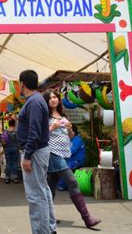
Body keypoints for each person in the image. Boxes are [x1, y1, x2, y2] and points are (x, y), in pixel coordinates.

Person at [43, 90, 101, 229]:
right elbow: (41, 136)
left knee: (50, 188)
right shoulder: (45, 117)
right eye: (50, 98)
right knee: (72, 182)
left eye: (55, 97)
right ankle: (87, 218)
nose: (53, 99)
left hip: (63, 153)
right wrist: (52, 127)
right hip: (53, 154)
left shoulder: (63, 115)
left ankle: (45, 217)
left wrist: (69, 130)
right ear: (46, 101)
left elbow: (69, 137)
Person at [17, 70, 56, 234]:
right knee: (43, 191)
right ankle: (49, 228)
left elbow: (34, 132)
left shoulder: (33, 102)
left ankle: (42, 231)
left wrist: (27, 156)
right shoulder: (37, 100)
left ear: (22, 84)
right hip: (39, 151)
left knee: (36, 195)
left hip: (34, 152)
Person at [58, 125, 86, 191]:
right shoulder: (69, 139)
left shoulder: (77, 140)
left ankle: (62, 185)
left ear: (73, 132)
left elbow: (71, 151)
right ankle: (61, 184)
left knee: (65, 167)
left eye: (68, 131)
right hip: (70, 160)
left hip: (77, 161)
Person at [2, 119, 20, 184]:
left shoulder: (5, 131)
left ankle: (7, 178)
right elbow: (19, 140)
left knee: (8, 163)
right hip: (15, 148)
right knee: (15, 163)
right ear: (14, 124)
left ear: (9, 124)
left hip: (7, 148)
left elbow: (2, 140)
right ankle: (15, 178)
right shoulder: (16, 131)